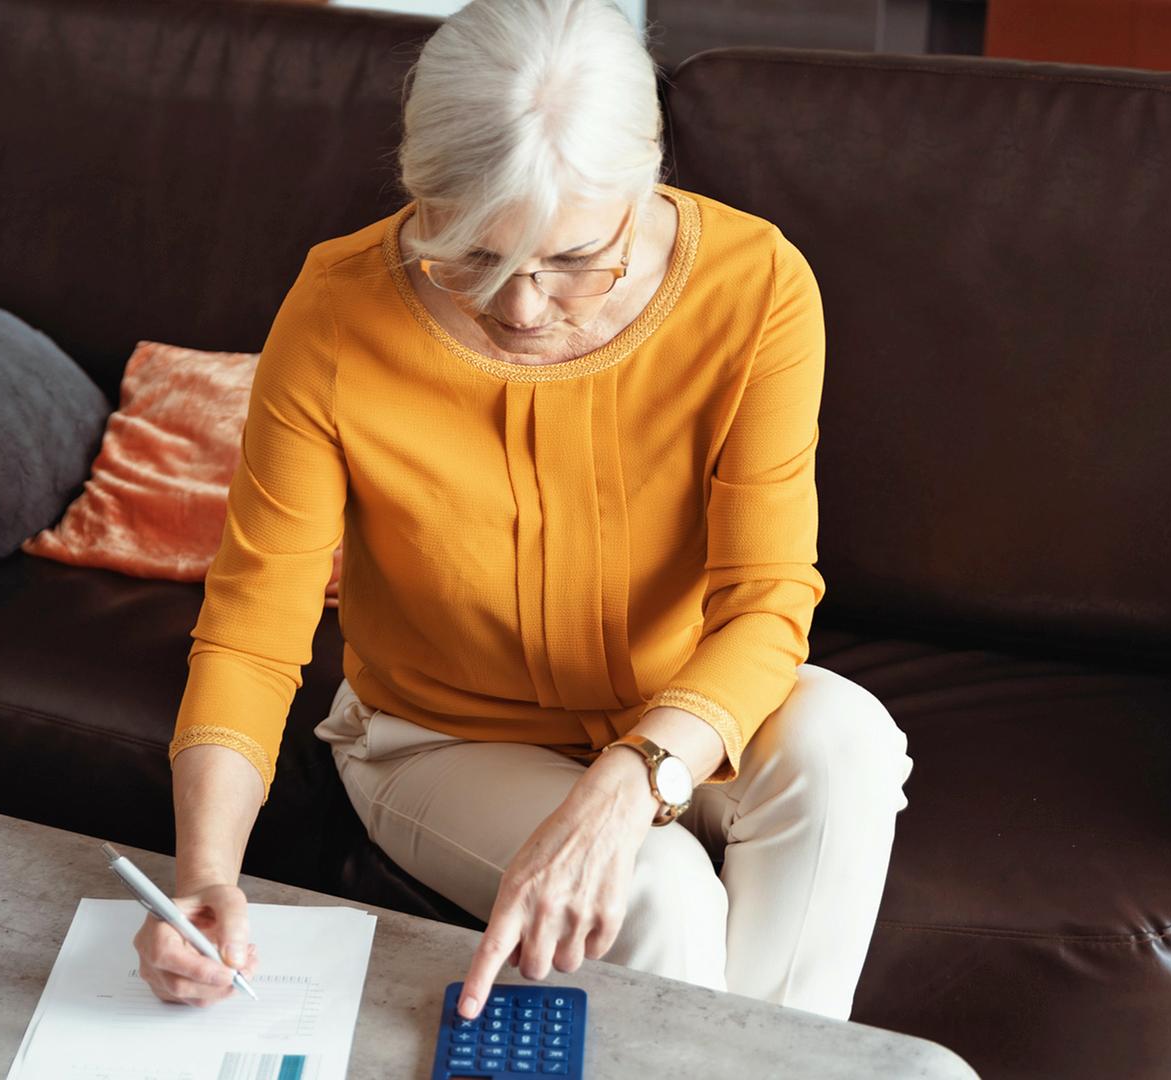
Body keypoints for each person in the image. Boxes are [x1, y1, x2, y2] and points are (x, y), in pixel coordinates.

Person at [133, 0, 914, 1024]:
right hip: (435, 739)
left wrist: (628, 783)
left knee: (847, 740)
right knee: (654, 891)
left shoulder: (755, 286)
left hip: (677, 707)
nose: (520, 309)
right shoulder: (337, 311)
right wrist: (204, 878)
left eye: (574, 261)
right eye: (471, 256)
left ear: (646, 183)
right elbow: (252, 629)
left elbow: (766, 602)